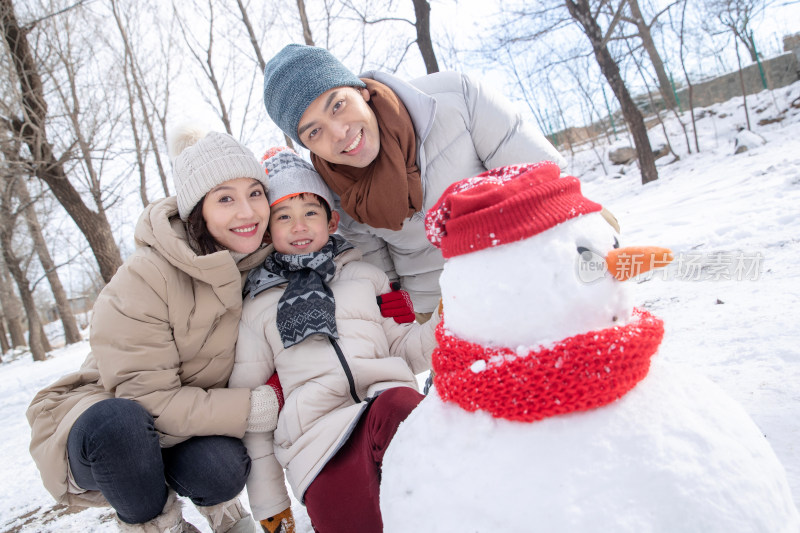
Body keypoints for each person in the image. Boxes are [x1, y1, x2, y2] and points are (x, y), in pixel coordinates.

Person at [25, 125, 289, 533]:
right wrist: (255, 406)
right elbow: (146, 398)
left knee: (221, 467)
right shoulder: (146, 277)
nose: (247, 211)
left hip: (180, 422)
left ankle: (224, 515)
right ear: (196, 210)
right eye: (225, 198)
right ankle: (157, 525)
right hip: (104, 420)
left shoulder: (259, 264)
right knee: (121, 426)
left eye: (255, 193)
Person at [262, 43, 567, 320]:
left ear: (360, 90)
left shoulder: (455, 98)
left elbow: (544, 182)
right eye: (314, 132)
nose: (339, 133)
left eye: (338, 105)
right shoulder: (333, 192)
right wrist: (414, 326)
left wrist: (584, 243)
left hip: (527, 277)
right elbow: (384, 276)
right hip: (442, 315)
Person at [229, 147, 441, 532]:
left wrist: (447, 320)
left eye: (310, 212)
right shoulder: (257, 308)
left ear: (331, 221)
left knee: (401, 407)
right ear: (267, 229)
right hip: (317, 445)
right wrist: (270, 502)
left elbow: (406, 350)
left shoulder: (367, 277)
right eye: (283, 216)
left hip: (383, 407)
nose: (299, 226)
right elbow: (253, 413)